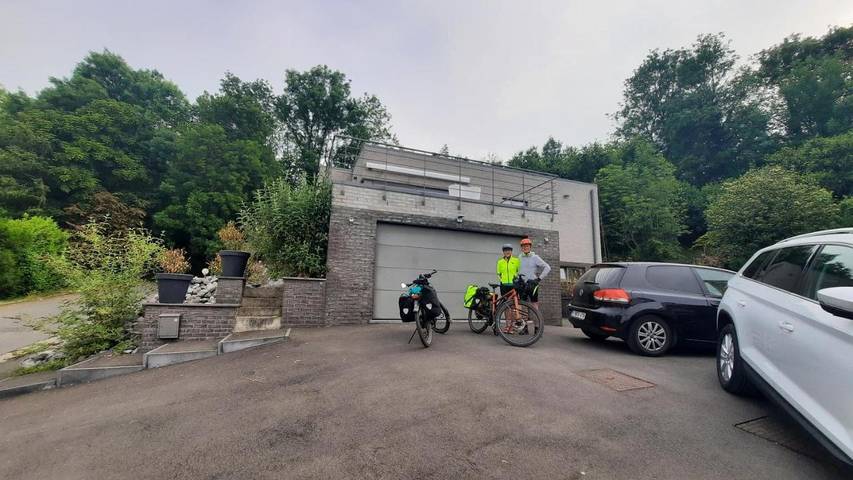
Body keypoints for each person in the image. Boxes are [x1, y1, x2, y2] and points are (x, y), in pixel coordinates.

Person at [518, 236, 550, 310]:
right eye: (523, 246)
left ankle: (537, 321)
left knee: (534, 303)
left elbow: (547, 267)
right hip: (522, 284)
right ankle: (523, 321)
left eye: (527, 246)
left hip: (532, 283)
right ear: (521, 248)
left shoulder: (535, 257)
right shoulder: (519, 257)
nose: (525, 248)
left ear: (530, 247)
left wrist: (539, 279)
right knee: (521, 303)